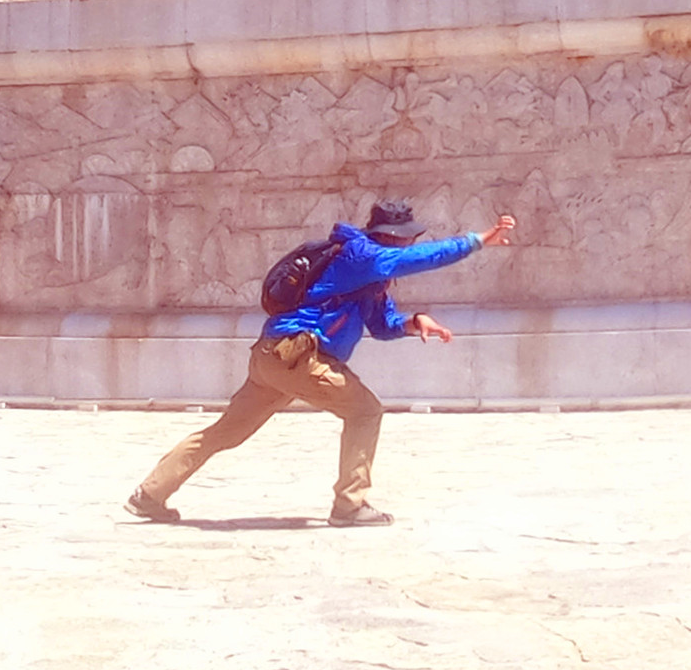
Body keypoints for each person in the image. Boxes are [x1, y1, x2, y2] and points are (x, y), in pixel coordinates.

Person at [127, 199, 515, 528]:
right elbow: (421, 258)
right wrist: (477, 240)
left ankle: (150, 494)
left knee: (225, 433)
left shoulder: (369, 274)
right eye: (408, 236)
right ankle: (350, 505)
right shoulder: (362, 255)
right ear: (393, 236)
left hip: (274, 358)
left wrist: (414, 324)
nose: (412, 241)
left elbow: (382, 325)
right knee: (365, 411)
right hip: (297, 356)